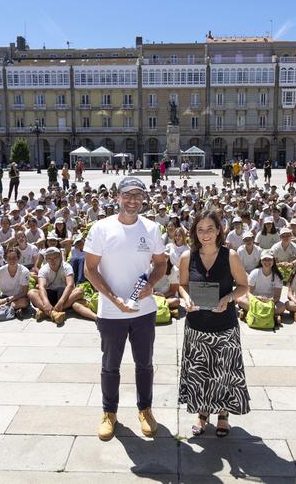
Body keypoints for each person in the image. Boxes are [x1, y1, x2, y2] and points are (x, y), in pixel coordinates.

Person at [83, 176, 167, 441]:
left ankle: (145, 409)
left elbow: (161, 265)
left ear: (144, 199)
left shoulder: (152, 229)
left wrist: (150, 285)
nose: (132, 201)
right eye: (127, 195)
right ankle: (109, 413)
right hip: (111, 311)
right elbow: (90, 270)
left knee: (145, 364)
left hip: (143, 310)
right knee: (110, 365)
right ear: (117, 197)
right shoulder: (100, 228)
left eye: (138, 196)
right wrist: (113, 299)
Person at [178, 210, 250, 437]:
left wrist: (228, 298)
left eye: (210, 229)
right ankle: (202, 415)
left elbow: (244, 286)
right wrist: (185, 298)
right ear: (194, 232)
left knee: (223, 373)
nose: (205, 234)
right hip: (197, 325)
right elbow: (182, 285)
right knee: (200, 373)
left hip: (224, 327)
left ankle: (223, 415)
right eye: (200, 229)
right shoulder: (187, 257)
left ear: (219, 230)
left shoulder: (231, 256)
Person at [28, 246, 82, 325]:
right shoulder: (44, 269)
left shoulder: (67, 266)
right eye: (49, 259)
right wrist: (46, 302)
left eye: (55, 258)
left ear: (60, 257)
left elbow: (70, 285)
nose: (53, 261)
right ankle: (54, 313)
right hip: (49, 294)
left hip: (64, 296)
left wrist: (61, 302)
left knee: (79, 291)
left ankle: (46, 311)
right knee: (31, 292)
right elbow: (41, 286)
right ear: (46, 259)